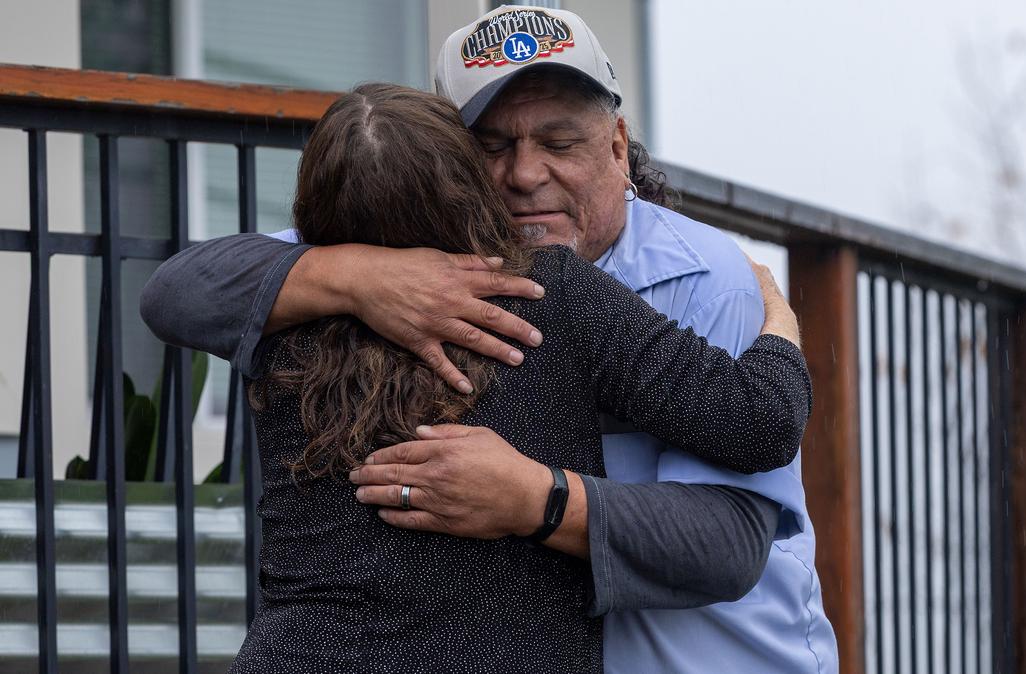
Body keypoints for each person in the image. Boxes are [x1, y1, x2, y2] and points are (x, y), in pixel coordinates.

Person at [141, 5, 837, 672]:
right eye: (493, 146)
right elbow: (178, 292)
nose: (526, 175)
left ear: (618, 147)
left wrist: (534, 497)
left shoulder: (706, 276)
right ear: (452, 162)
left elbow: (728, 543)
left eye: (560, 143)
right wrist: (359, 276)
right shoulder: (398, 261)